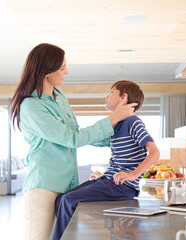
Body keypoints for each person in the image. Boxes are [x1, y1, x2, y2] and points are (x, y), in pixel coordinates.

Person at [10, 44, 137, 240]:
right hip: (43, 189)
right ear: (46, 70)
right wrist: (113, 118)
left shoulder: (59, 96)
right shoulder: (31, 106)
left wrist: (124, 137)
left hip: (67, 187)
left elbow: (75, 132)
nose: (66, 71)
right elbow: (71, 139)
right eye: (62, 68)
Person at [51, 80, 160, 240]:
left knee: (67, 200)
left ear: (124, 98)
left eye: (111, 92)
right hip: (109, 181)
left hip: (121, 187)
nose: (106, 96)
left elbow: (155, 152)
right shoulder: (117, 125)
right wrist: (104, 174)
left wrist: (133, 175)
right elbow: (118, 156)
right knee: (61, 199)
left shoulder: (134, 122)